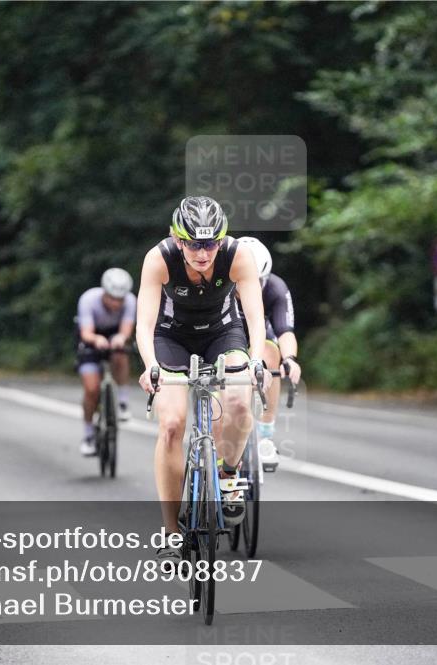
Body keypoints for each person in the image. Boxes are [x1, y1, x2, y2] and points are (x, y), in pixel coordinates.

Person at [135, 196, 270, 566]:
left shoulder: (237, 255)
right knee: (173, 424)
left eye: (210, 244)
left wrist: (256, 361)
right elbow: (144, 325)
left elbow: (255, 319)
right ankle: (170, 532)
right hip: (171, 337)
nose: (203, 252)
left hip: (223, 334)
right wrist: (150, 365)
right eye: (194, 243)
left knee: (241, 400)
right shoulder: (158, 258)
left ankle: (228, 475)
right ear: (178, 239)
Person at [236, 237, 302, 470]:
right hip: (225, 336)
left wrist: (290, 359)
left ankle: (265, 435)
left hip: (261, 335)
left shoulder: (275, 288)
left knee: (272, 358)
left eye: (259, 280)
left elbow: (284, 330)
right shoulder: (219, 284)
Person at [76, 268, 137, 456]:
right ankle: (88, 435)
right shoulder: (88, 299)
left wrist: (121, 338)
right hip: (90, 337)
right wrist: (95, 340)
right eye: (112, 298)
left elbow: (126, 329)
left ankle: (123, 402)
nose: (116, 303)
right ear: (104, 292)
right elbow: (86, 332)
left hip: (114, 334)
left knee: (120, 354)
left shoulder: (130, 301)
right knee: (91, 389)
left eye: (120, 299)